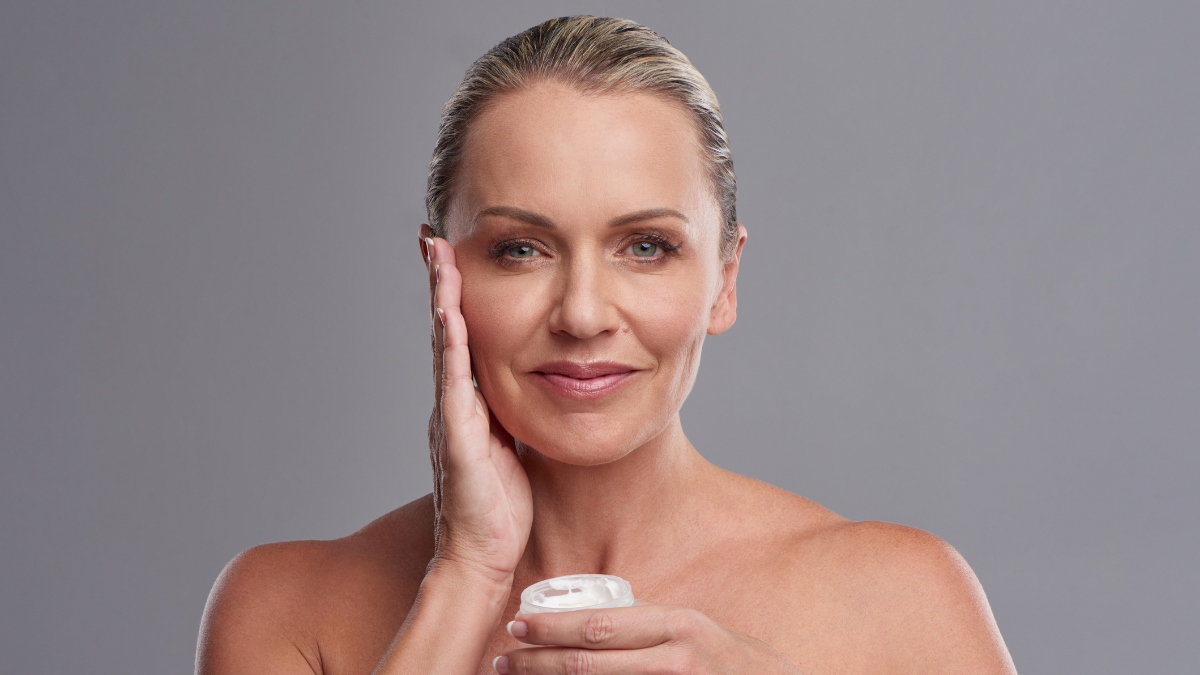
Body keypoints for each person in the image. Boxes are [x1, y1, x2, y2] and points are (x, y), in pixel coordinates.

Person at [197, 15, 1016, 675]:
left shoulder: (903, 605)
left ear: (725, 279)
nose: (583, 314)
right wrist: (466, 577)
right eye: (520, 248)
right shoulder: (286, 610)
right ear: (441, 276)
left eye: (646, 246)